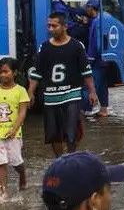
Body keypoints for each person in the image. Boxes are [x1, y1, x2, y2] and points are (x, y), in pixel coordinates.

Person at [27, 13, 98, 157]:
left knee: (71, 133)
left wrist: (92, 92)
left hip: (72, 95)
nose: (50, 29)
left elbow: (86, 72)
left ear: (65, 26)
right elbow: (37, 73)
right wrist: (30, 92)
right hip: (50, 96)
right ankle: (59, 160)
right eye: (49, 26)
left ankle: (71, 158)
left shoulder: (76, 46)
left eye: (54, 26)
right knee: (53, 135)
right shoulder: (44, 47)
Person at [0, 57, 29, 195]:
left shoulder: (20, 91)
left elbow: (22, 113)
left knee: (16, 162)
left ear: (15, 73)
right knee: (1, 162)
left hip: (14, 134)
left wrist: (14, 129)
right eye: (0, 72)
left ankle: (22, 175)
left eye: (6, 71)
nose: (2, 75)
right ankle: (3, 192)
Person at [82, 0, 109, 119]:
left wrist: (90, 59)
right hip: (104, 59)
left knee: (89, 85)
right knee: (102, 85)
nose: (85, 10)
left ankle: (85, 111)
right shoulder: (101, 19)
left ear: (91, 8)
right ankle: (103, 110)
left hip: (96, 60)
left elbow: (94, 43)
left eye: (87, 7)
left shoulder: (96, 23)